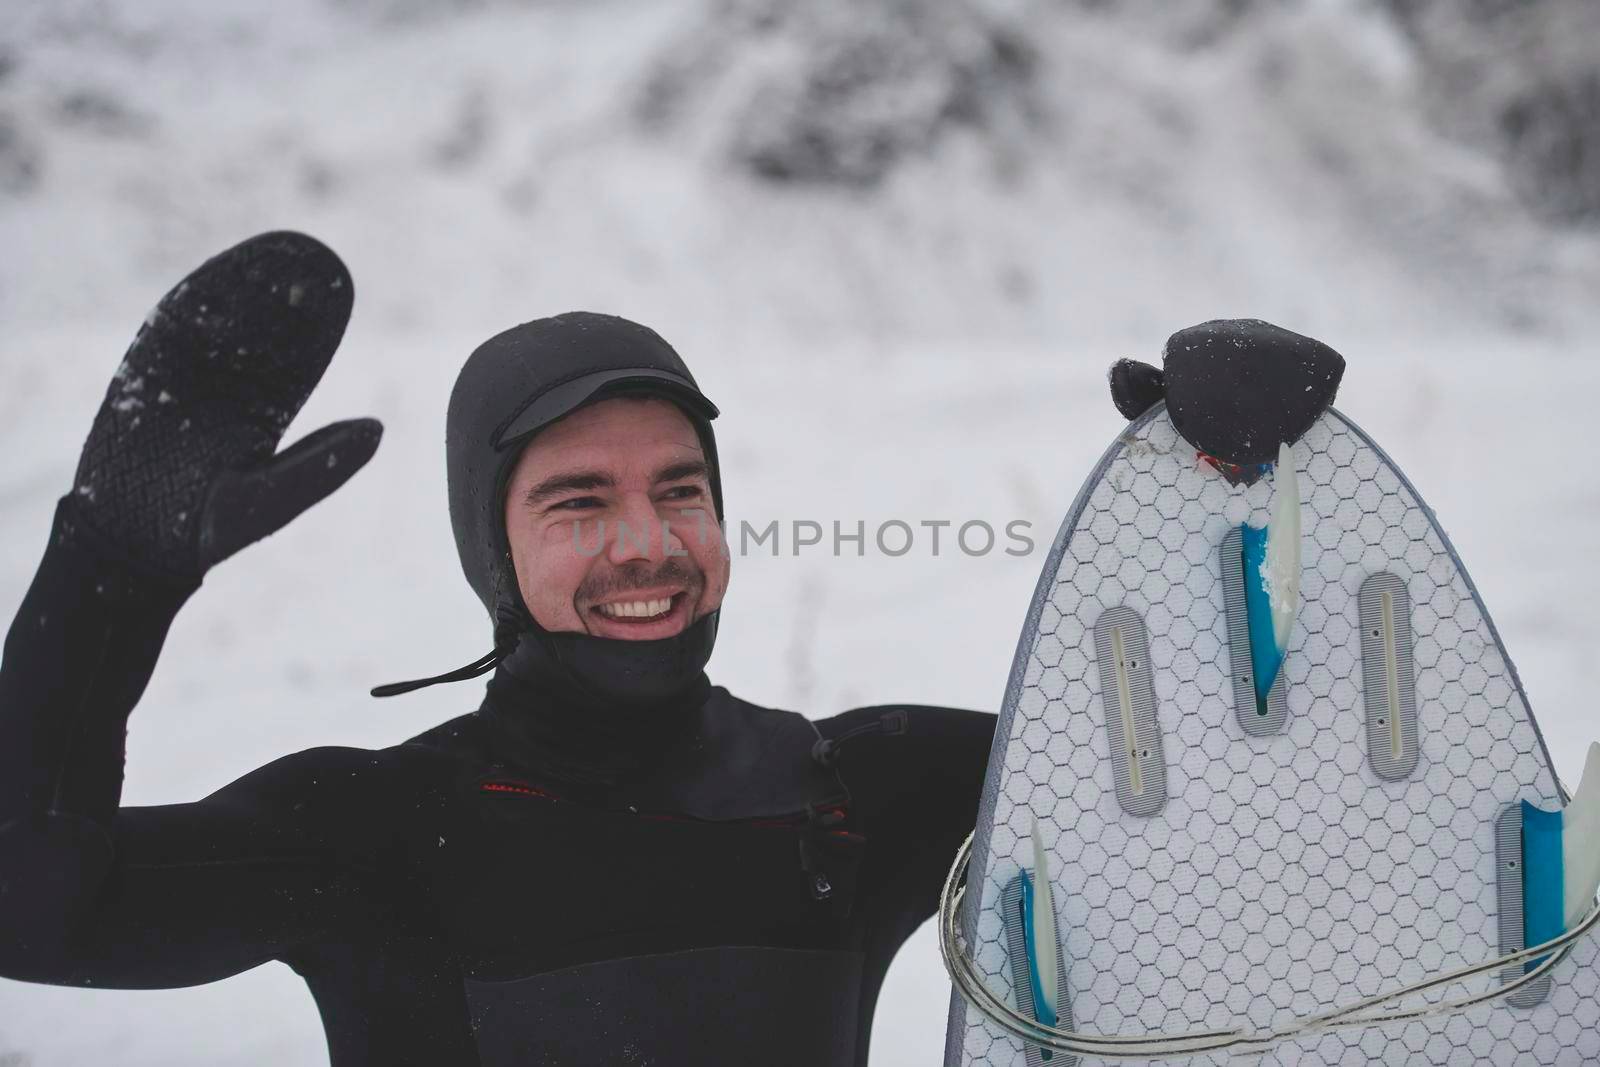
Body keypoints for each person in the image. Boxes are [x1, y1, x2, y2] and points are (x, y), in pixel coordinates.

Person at [0, 231, 996, 1066]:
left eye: (681, 490)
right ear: (495, 552)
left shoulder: (853, 793)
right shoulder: (374, 831)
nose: (648, 541)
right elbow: (28, 907)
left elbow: (1143, 776)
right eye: (579, 501)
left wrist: (1158, 494)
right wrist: (111, 575)